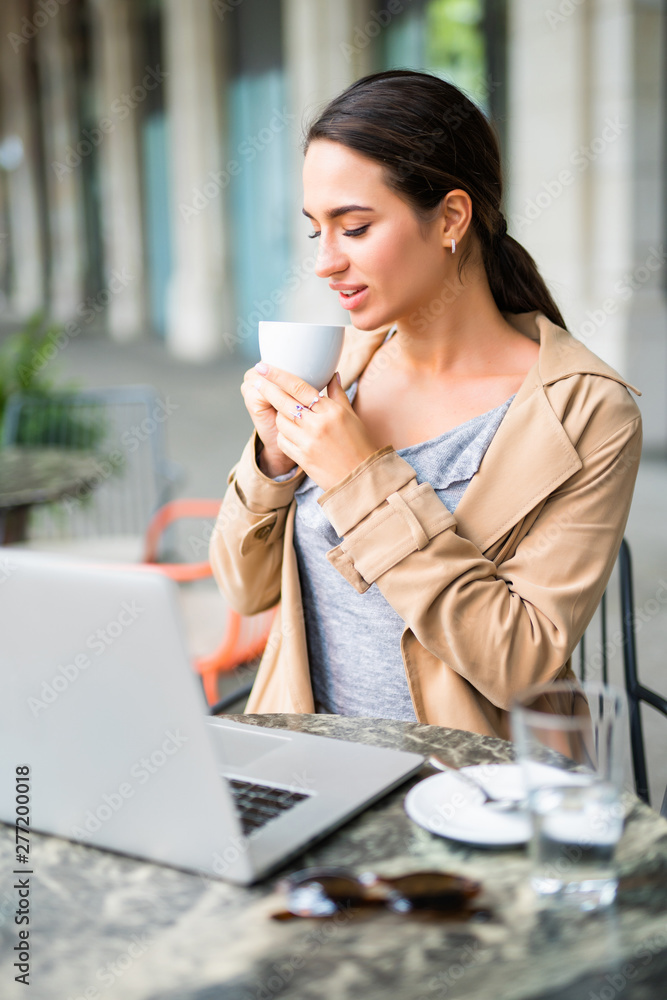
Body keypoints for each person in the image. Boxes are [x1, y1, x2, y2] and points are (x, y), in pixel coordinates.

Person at [209, 70, 642, 739]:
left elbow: (519, 662)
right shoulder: (340, 370)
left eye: (353, 227)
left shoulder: (585, 413)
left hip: (475, 792)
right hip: (307, 764)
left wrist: (359, 477)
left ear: (449, 218)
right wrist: (272, 461)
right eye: (313, 231)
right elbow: (245, 590)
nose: (324, 262)